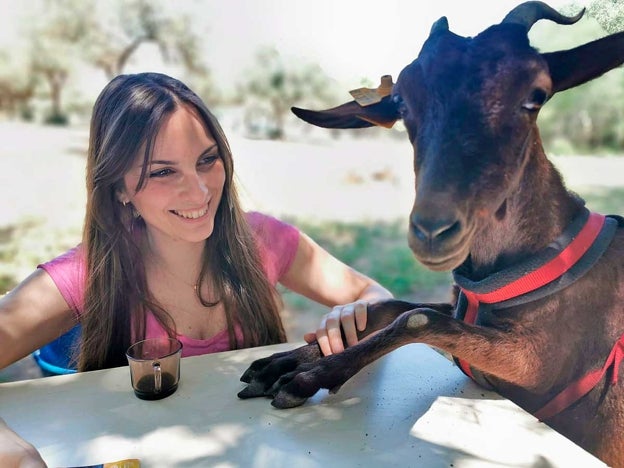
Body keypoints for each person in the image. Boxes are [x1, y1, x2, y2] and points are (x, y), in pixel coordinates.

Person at [0, 72, 392, 375]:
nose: (200, 190)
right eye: (163, 172)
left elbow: (375, 295)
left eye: (207, 160)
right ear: (119, 188)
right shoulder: (89, 273)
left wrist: (358, 313)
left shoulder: (262, 239)